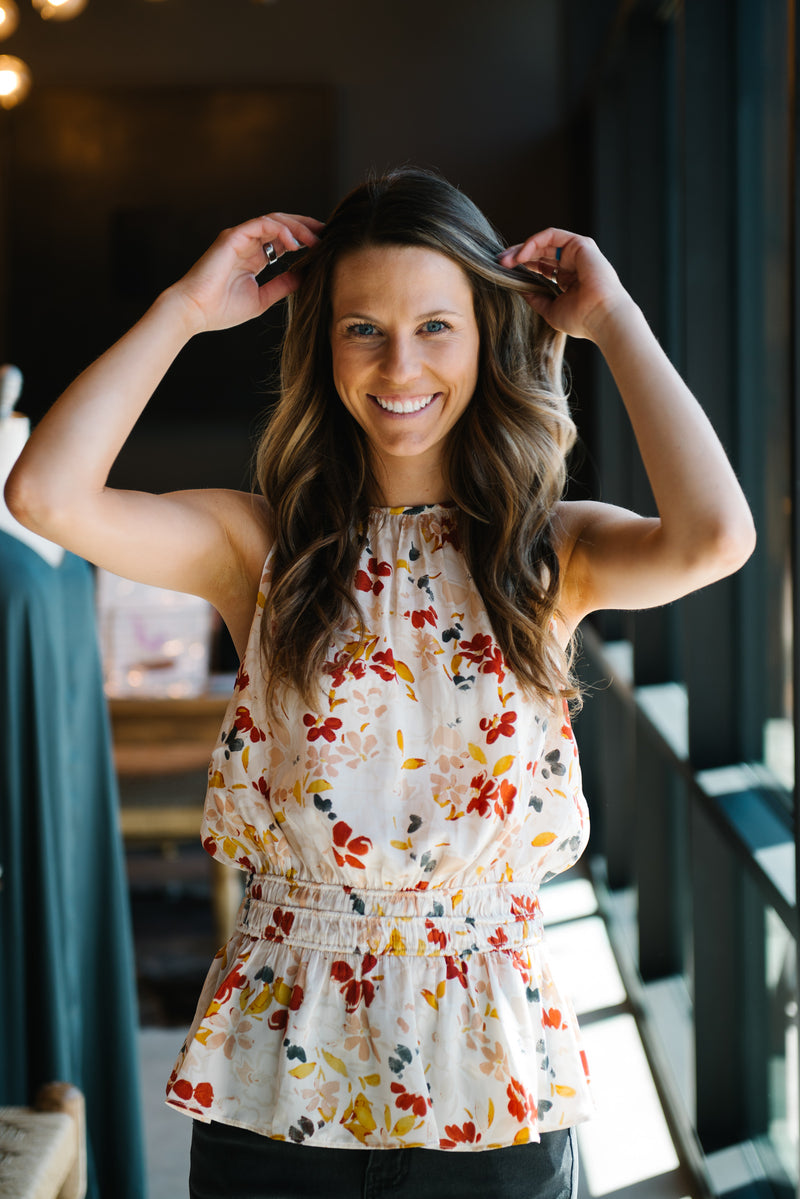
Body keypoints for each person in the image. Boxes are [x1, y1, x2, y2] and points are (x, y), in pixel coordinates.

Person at [5, 167, 755, 1199]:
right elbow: (44, 495)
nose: (398, 363)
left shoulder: (545, 554)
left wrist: (613, 320)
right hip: (278, 1081)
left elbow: (716, 537)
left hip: (489, 1081)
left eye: (435, 326)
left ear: (487, 336)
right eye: (362, 328)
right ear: (322, 344)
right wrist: (184, 307)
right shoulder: (261, 545)